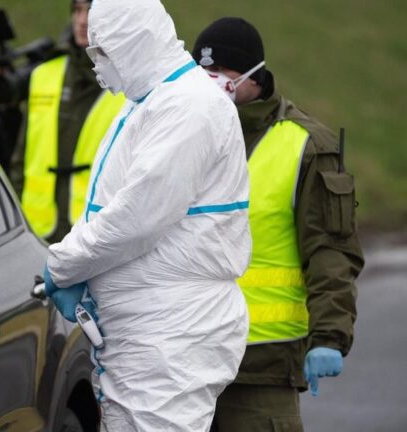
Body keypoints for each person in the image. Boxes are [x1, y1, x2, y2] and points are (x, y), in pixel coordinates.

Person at [43, 0, 252, 429]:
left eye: (103, 51)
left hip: (172, 334)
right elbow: (106, 202)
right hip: (150, 332)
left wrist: (63, 264)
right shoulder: (152, 100)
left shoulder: (190, 108)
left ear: (132, 43)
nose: (96, 63)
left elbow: (137, 218)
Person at [192, 17, 364, 432]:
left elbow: (330, 251)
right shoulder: (182, 133)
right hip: (182, 361)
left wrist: (328, 336)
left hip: (261, 366)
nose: (212, 82)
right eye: (203, 72)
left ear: (255, 75)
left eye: (224, 73)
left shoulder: (306, 146)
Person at [10, 0, 125, 243]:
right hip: (36, 231)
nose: (82, 20)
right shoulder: (44, 74)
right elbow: (21, 158)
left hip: (95, 235)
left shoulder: (128, 84)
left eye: (90, 10)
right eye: (77, 10)